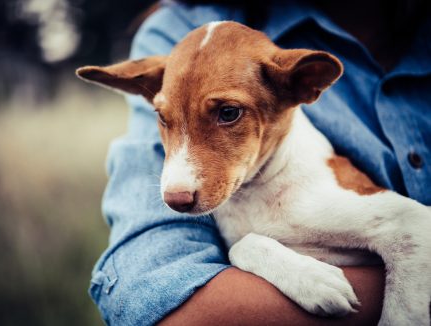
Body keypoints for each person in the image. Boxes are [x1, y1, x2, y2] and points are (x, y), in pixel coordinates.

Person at [90, 0, 431, 324]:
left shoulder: (316, 190)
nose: (177, 187)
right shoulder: (173, 29)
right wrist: (251, 253)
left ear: (304, 83)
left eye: (228, 113)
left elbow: (419, 228)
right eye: (164, 118)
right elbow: (148, 293)